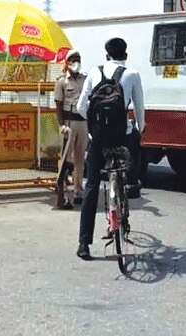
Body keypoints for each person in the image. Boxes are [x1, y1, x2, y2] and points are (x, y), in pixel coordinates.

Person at [75, 37, 145, 260]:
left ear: (106, 56)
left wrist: (93, 128)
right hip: (121, 136)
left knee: (92, 186)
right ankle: (132, 182)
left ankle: (84, 244)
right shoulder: (132, 74)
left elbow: (81, 106)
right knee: (135, 141)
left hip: (98, 138)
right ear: (125, 55)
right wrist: (139, 129)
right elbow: (140, 110)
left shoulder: (94, 73)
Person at [54, 50, 87, 210]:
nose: (76, 62)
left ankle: (78, 191)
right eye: (73, 60)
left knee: (80, 159)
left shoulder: (85, 79)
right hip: (69, 121)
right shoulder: (61, 81)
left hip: (83, 122)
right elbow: (58, 106)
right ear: (67, 63)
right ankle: (63, 192)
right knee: (66, 159)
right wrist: (61, 125)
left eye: (78, 59)